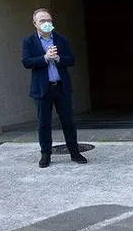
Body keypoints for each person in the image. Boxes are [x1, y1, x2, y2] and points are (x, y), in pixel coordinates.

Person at [21, 9, 87, 168]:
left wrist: (58, 58)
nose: (46, 23)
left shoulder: (61, 40)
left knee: (68, 121)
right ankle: (45, 154)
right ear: (35, 23)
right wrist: (45, 58)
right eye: (42, 20)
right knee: (44, 123)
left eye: (49, 20)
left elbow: (71, 60)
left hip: (61, 87)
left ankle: (74, 151)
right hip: (42, 89)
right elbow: (26, 62)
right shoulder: (29, 41)